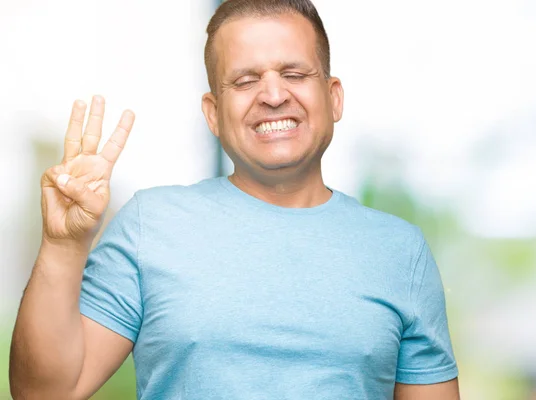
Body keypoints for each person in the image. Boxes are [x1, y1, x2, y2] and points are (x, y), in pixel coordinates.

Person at [9, 0, 460, 399]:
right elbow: (45, 392)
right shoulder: (151, 224)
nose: (273, 94)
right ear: (213, 114)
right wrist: (63, 245)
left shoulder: (400, 252)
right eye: (245, 80)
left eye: (294, 73)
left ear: (333, 96)